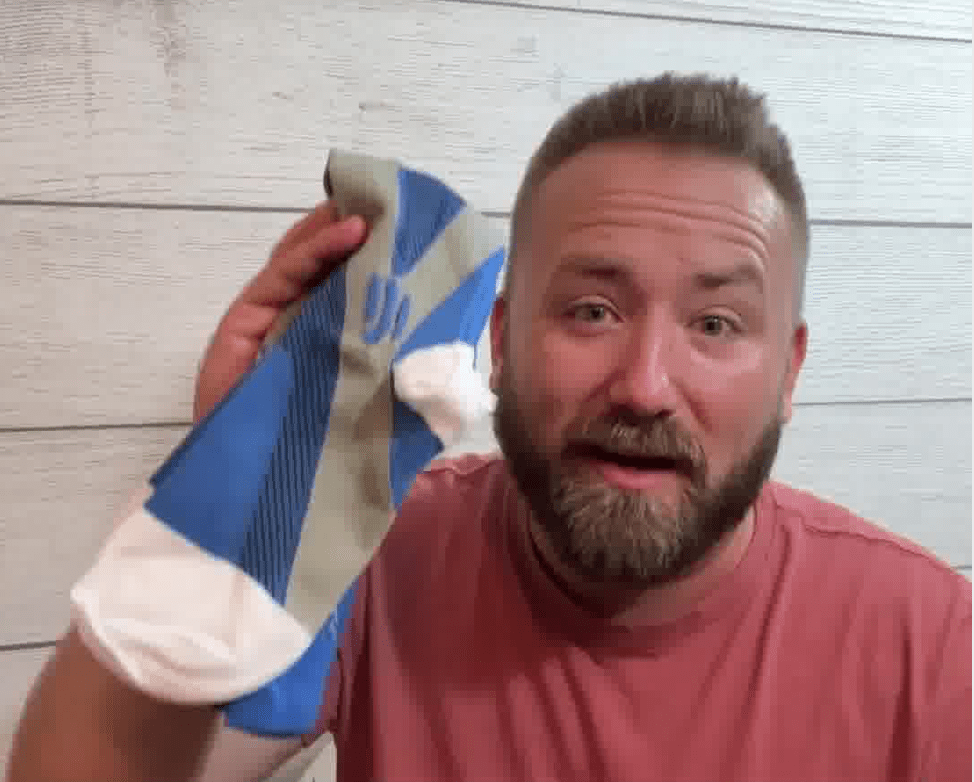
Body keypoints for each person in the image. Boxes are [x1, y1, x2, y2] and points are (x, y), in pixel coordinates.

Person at [6, 73, 970, 782]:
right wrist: (232, 497)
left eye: (715, 324)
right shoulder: (372, 545)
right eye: (592, 310)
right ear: (499, 342)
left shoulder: (933, 646)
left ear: (789, 373)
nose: (644, 386)